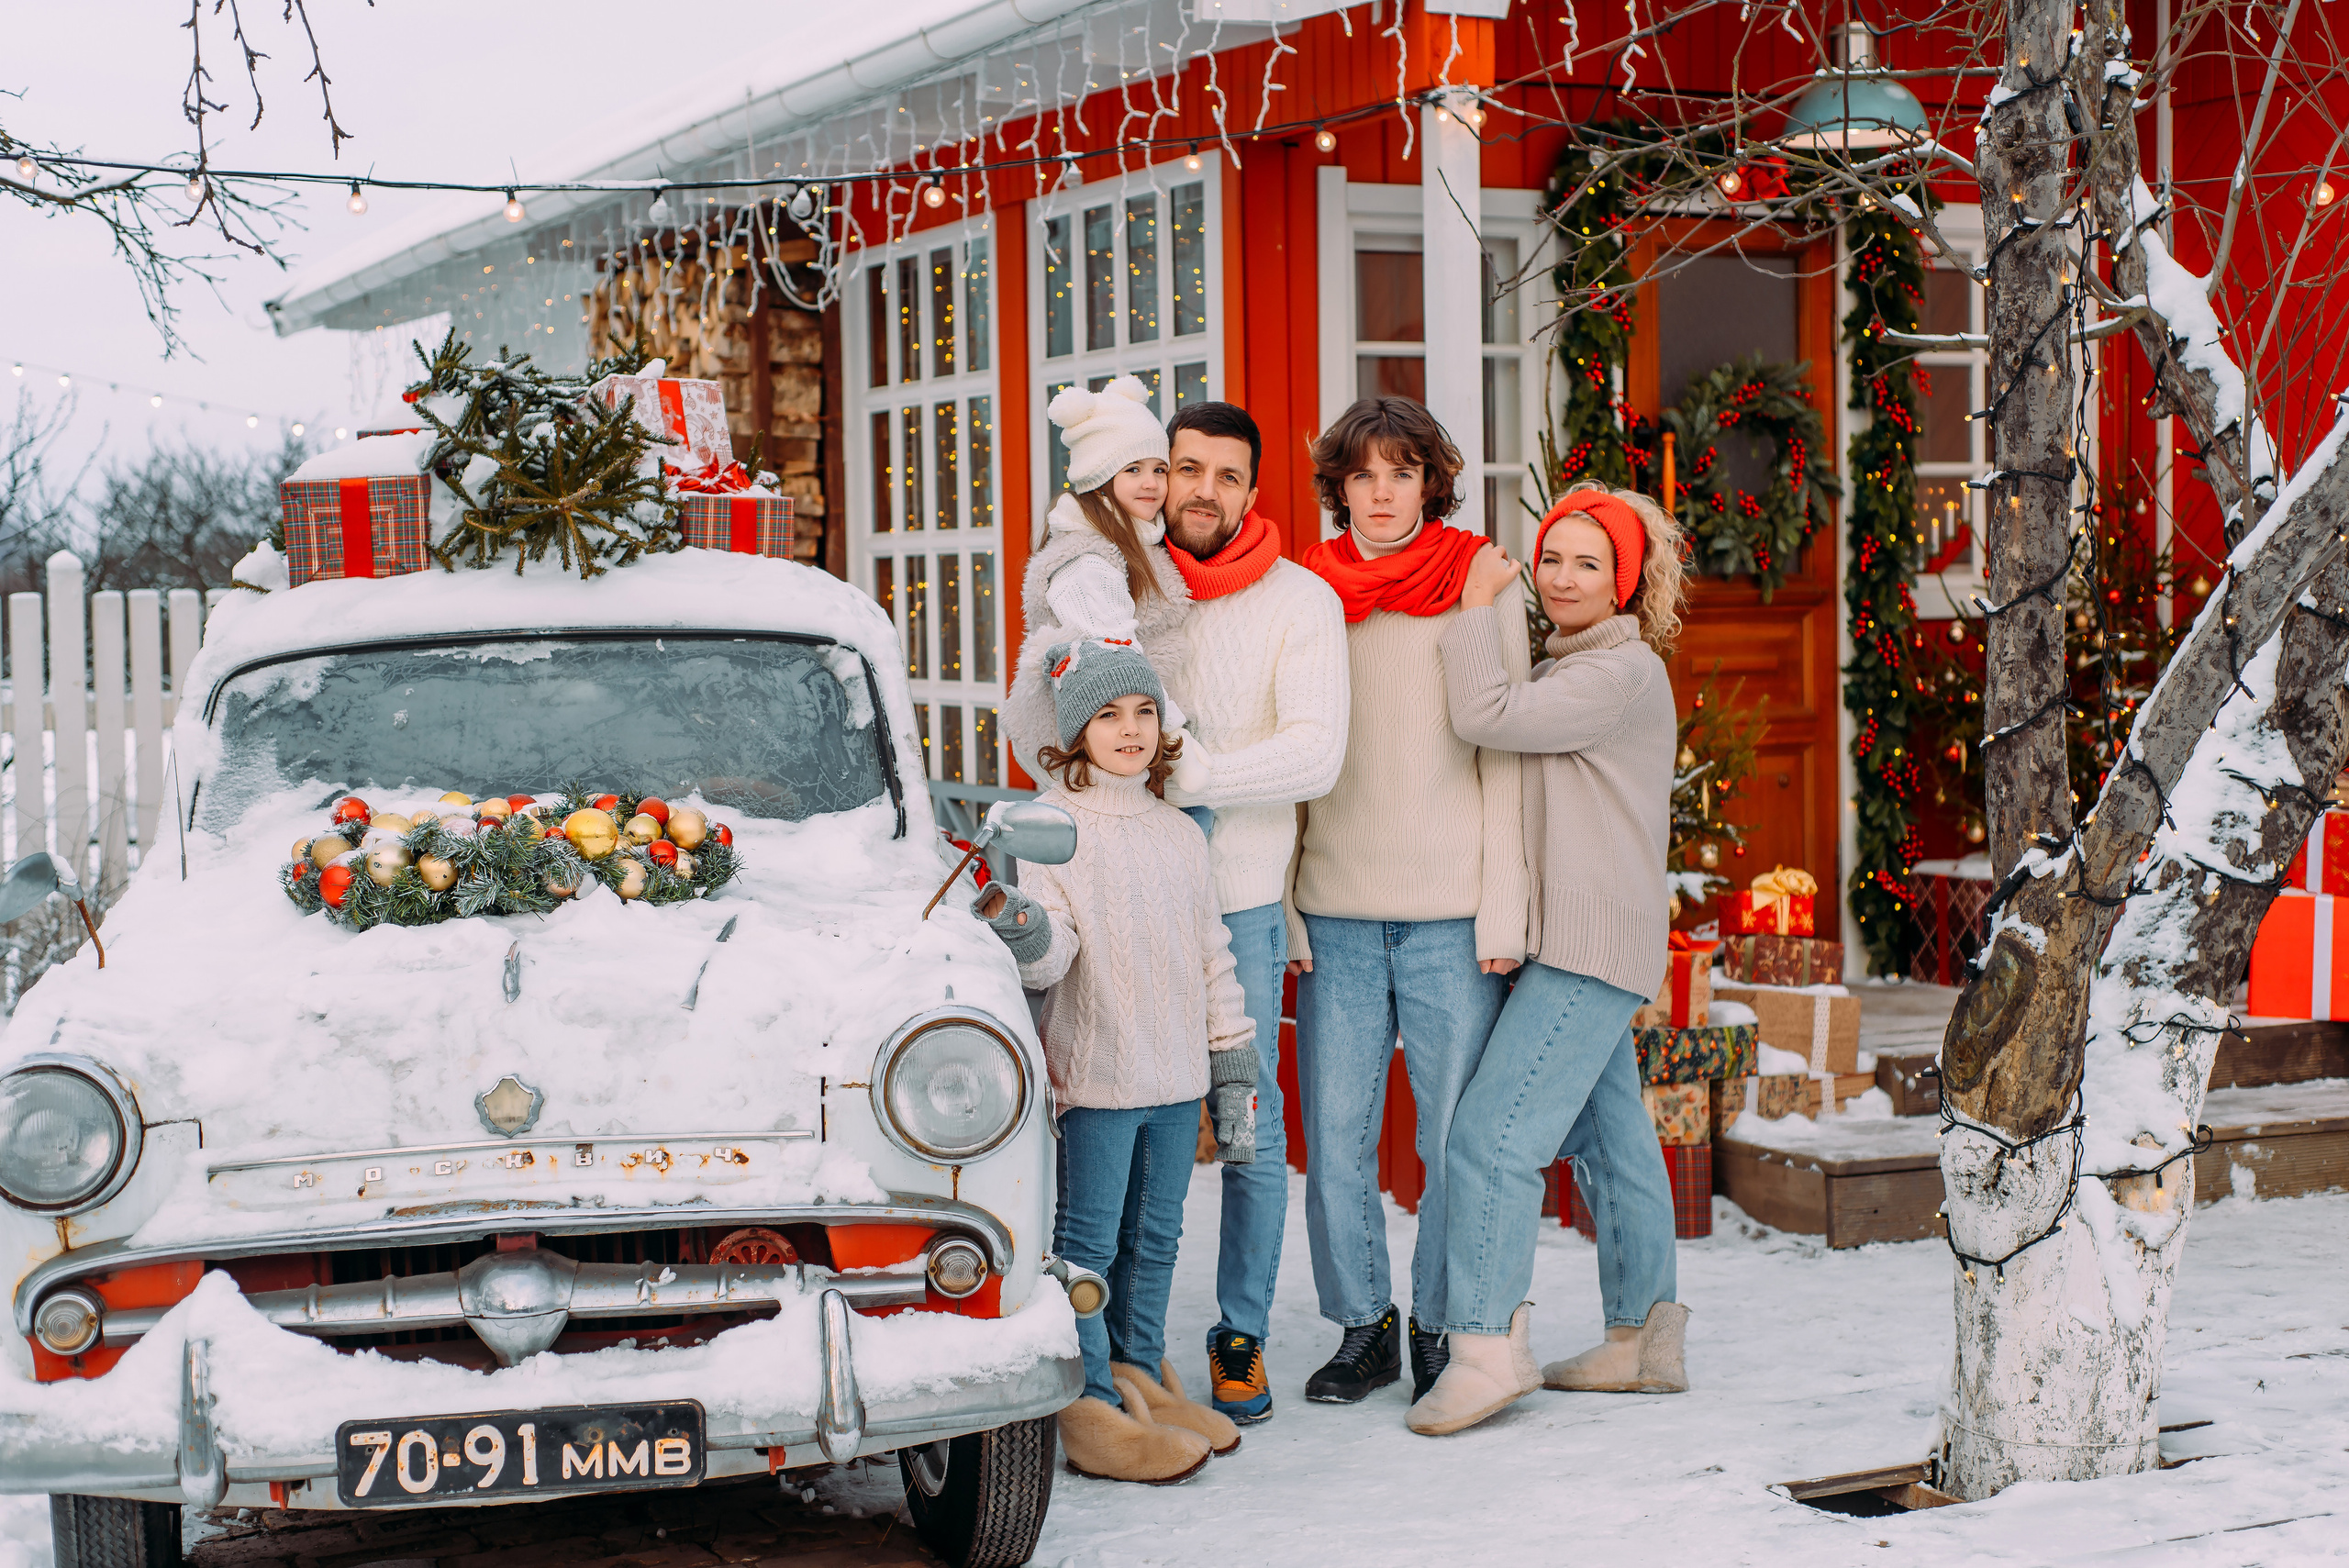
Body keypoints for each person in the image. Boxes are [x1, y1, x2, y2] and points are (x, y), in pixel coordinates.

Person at [1404, 487, 1690, 1438]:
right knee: (1613, 1137)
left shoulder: (1619, 671)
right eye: (1551, 559)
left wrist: (1475, 604)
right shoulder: (1580, 663)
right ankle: (1641, 1337)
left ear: (1624, 583)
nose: (1563, 579)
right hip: (1588, 936)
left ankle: (1486, 1351)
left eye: (1587, 564)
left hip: (1585, 944)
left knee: (1491, 1136)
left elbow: (1487, 711)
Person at [1289, 396, 1531, 1407]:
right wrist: (1287, 897)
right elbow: (1293, 752)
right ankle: (1364, 1327)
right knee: (1335, 1140)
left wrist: (1504, 904)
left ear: (1432, 481)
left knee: (1449, 1140)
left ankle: (1439, 1322)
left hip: (1451, 914)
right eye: (1363, 474)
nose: (1382, 492)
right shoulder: (1306, 591)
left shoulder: (1480, 581)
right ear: (1339, 488)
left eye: (1402, 471)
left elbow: (1506, 752)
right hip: (1334, 907)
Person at [972, 636, 1261, 1483]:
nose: (1130, 730)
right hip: (1097, 1082)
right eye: (1107, 715)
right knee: (1089, 1249)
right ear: (1075, 731)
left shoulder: (1180, 834)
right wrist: (1022, 924)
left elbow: (1212, 954)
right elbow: (1051, 956)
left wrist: (1231, 1062)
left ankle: (1141, 1376)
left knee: (1157, 1239)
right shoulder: (1053, 831)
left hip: (1175, 1080)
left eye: (1143, 712)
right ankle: (1091, 1402)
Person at [1155, 401, 1350, 1424]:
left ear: (1252, 491)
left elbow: (1316, 753)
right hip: (1131, 901)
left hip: (1238, 907)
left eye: (1226, 475)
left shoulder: (1299, 600)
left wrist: (1203, 776)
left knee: (1247, 1128)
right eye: (1188, 468)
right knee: (1122, 1119)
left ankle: (1240, 1333)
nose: (1204, 490)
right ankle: (1125, 1340)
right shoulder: (1122, 584)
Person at [1005, 375, 1201, 790]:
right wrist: (1177, 741)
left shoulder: (1138, 540)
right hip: (1107, 753)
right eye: (1133, 470)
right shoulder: (1086, 562)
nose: (1152, 483)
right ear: (1099, 479)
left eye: (1159, 469)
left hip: (1135, 743)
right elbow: (1118, 654)